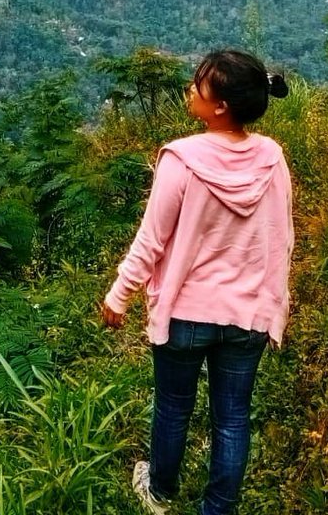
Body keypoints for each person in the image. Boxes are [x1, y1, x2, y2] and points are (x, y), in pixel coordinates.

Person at [102, 49, 293, 515]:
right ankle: (218, 507)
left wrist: (119, 295)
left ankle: (160, 492)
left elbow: (152, 240)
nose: (191, 88)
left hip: (186, 313)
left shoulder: (181, 159)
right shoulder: (271, 159)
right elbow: (281, 239)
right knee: (232, 416)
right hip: (247, 314)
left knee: (173, 406)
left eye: (199, 84)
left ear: (220, 105)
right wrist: (275, 308)